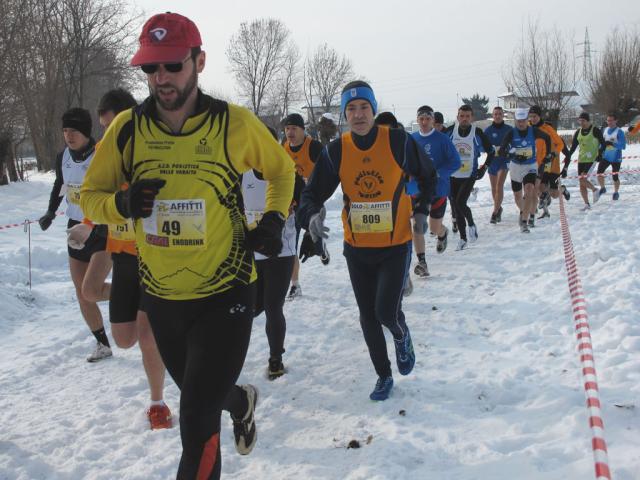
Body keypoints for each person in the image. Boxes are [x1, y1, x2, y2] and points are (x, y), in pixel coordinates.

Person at [80, 12, 294, 479]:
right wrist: (121, 203)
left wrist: (274, 219)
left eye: (172, 66)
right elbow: (88, 197)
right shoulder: (127, 131)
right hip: (163, 298)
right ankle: (241, 401)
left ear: (198, 61)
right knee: (208, 398)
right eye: (150, 69)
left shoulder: (233, 124)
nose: (161, 79)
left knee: (196, 420)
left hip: (227, 292)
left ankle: (228, 404)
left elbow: (281, 170)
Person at [298, 80, 436, 401]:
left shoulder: (398, 141)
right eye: (351, 109)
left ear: (373, 110)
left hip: (395, 245)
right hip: (357, 249)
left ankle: (401, 336)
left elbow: (428, 176)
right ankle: (383, 375)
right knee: (367, 315)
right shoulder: (337, 150)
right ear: (345, 114)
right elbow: (311, 194)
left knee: (386, 312)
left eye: (364, 108)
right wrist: (311, 218)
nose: (358, 115)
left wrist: (421, 211)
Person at [67, 88, 173, 429]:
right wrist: (88, 225)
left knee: (145, 336)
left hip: (155, 255)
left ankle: (157, 403)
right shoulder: (106, 154)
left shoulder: (155, 149)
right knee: (125, 338)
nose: (107, 135)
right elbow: (95, 195)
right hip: (121, 253)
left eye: (113, 126)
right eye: (104, 128)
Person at [38, 107, 113, 362]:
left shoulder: (101, 154)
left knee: (91, 289)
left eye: (74, 131)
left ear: (86, 132)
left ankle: (131, 292)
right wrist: (50, 211)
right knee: (82, 293)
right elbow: (60, 184)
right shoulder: (63, 157)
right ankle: (102, 344)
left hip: (102, 227)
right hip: (75, 226)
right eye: (65, 131)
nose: (69, 136)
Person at [243, 125, 303, 380]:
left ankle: (275, 358)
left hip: (281, 251)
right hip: (250, 251)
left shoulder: (288, 172)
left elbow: (307, 203)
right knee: (245, 307)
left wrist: (309, 231)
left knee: (272, 306)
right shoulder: (240, 174)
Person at [411, 105, 460, 276]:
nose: (424, 122)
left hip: (438, 189)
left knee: (433, 227)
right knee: (418, 225)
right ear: (417, 120)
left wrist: (438, 173)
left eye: (427, 119)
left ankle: (442, 233)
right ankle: (422, 262)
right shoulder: (412, 139)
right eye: (421, 119)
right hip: (418, 190)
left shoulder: (442, 139)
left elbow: (456, 162)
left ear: (433, 120)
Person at [282, 113, 323, 300]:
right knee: (291, 246)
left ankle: (320, 245)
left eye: (294, 129)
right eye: (287, 128)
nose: (290, 132)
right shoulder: (283, 146)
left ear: (302, 130)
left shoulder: (313, 147)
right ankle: (295, 285)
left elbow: (329, 172)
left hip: (312, 204)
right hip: (291, 204)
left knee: (314, 238)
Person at [444, 105, 494, 250]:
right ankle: (463, 238)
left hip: (469, 175)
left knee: (460, 203)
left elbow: (491, 152)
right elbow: (440, 149)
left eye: (467, 116)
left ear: (471, 118)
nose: (464, 119)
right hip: (453, 175)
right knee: (455, 204)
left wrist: (484, 168)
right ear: (457, 116)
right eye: (462, 116)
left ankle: (471, 224)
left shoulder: (476, 133)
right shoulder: (450, 132)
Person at [499, 108, 552, 233]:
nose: (521, 124)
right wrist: (512, 155)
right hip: (516, 167)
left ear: (527, 120)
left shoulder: (533, 130)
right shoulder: (511, 133)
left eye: (523, 121)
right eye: (519, 121)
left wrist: (548, 155)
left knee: (529, 189)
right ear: (515, 121)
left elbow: (547, 138)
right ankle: (525, 211)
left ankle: (524, 221)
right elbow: (502, 150)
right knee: (518, 196)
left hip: (530, 166)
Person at [528, 106, 571, 218]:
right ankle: (545, 211)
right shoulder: (527, 128)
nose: (532, 119)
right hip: (536, 163)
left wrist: (554, 153)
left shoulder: (548, 128)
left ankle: (562, 189)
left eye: (535, 116)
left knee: (554, 193)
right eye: (531, 116)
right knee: (539, 187)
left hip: (551, 164)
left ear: (539, 116)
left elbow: (560, 144)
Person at [565, 112, 606, 211]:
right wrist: (568, 155)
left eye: (583, 121)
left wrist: (600, 154)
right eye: (580, 121)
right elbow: (574, 146)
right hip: (581, 159)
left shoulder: (595, 130)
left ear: (588, 121)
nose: (581, 123)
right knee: (581, 183)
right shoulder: (578, 131)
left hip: (592, 159)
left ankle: (595, 190)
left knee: (582, 179)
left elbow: (603, 144)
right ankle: (587, 204)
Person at [483, 106, 511, 223]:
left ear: (502, 115)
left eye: (500, 114)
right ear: (492, 116)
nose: (498, 116)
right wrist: (491, 149)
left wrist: (505, 149)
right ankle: (498, 208)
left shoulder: (509, 129)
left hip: (504, 161)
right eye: (496, 114)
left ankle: (494, 212)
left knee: (499, 186)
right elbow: (484, 146)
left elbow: (514, 144)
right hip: (492, 162)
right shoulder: (488, 130)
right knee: (494, 188)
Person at [597, 113, 626, 201]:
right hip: (606, 157)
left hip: (616, 158)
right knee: (599, 173)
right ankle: (603, 188)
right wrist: (599, 152)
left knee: (615, 177)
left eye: (611, 120)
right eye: (608, 120)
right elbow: (601, 143)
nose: (609, 122)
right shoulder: (605, 130)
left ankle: (616, 192)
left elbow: (623, 146)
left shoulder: (619, 131)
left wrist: (612, 144)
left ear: (616, 121)